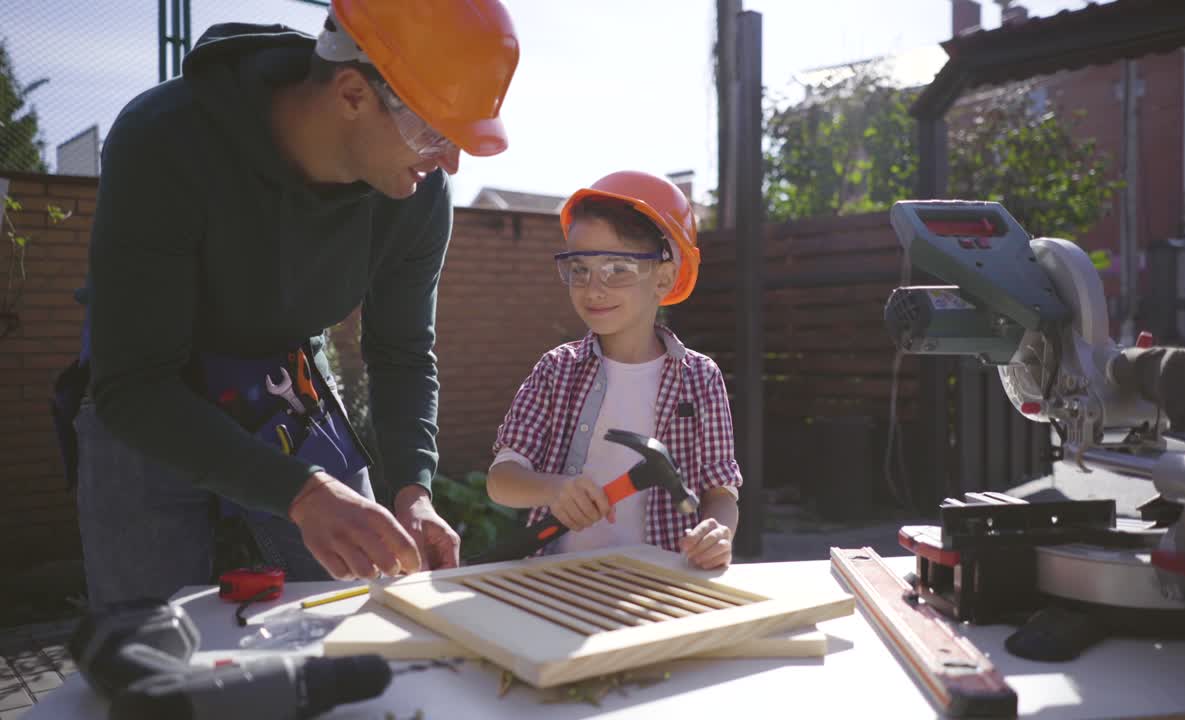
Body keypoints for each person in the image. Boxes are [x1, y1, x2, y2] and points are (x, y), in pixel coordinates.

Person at [57, 0, 520, 610]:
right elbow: (133, 384)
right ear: (352, 92)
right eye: (435, 129)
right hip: (151, 396)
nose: (451, 161)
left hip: (281, 387)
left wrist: (414, 490)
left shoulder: (419, 193)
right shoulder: (164, 137)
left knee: (359, 608)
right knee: (147, 643)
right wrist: (303, 493)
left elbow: (403, 353)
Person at [486, 171, 741, 569]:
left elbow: (720, 491)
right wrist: (554, 489)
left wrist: (716, 533)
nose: (593, 288)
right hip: (559, 580)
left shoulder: (700, 378)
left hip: (662, 582)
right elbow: (502, 480)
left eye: (617, 269)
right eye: (580, 268)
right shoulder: (557, 371)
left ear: (664, 277)